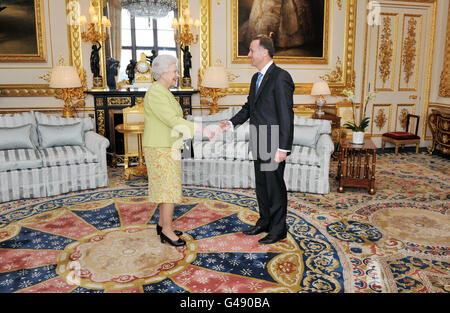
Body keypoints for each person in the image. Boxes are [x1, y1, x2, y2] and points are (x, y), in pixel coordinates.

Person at [219, 35, 294, 244]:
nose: (249, 55)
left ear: (264, 52)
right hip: (258, 140)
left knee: (275, 187)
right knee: (262, 185)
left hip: (273, 144)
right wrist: (231, 123)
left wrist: (283, 148)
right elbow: (249, 108)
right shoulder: (256, 78)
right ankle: (265, 222)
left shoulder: (281, 77)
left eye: (252, 50)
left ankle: (279, 229)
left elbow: (287, 115)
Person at [143, 54, 215, 247]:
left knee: (167, 186)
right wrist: (203, 130)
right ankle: (166, 231)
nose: (177, 75)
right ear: (164, 72)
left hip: (168, 145)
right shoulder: (157, 93)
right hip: (160, 147)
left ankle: (162, 224)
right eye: (174, 71)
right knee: (169, 189)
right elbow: (173, 121)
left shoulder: (164, 91)